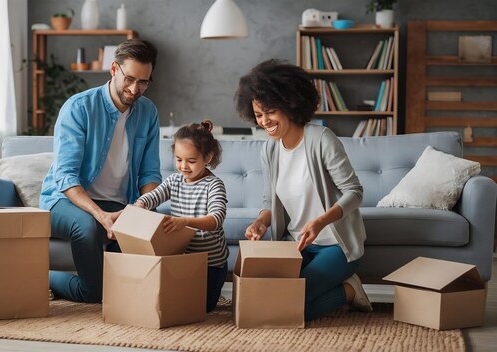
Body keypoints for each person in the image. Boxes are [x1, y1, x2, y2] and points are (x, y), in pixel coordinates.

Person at [234, 59, 372, 321]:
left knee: (285, 309)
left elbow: (354, 192)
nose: (264, 121)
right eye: (258, 115)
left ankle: (350, 291)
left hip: (336, 246)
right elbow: (268, 200)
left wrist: (320, 222)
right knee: (265, 301)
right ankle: (339, 288)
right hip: (297, 245)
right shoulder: (269, 149)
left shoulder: (321, 139)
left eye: (270, 111)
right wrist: (260, 223)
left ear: (290, 104)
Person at [40, 39, 162, 303]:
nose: (134, 89)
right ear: (114, 69)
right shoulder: (79, 107)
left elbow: (150, 174)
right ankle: (46, 277)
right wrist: (101, 215)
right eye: (129, 78)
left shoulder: (148, 112)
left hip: (119, 203)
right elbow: (66, 177)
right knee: (88, 231)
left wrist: (142, 208)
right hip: (64, 201)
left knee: (160, 226)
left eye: (143, 82)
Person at [135, 120, 228, 312]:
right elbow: (154, 196)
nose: (183, 166)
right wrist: (141, 203)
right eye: (179, 159)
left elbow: (215, 220)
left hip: (210, 264)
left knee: (203, 308)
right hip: (183, 260)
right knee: (177, 303)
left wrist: (184, 221)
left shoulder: (214, 185)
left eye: (191, 161)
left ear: (208, 157)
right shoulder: (175, 180)